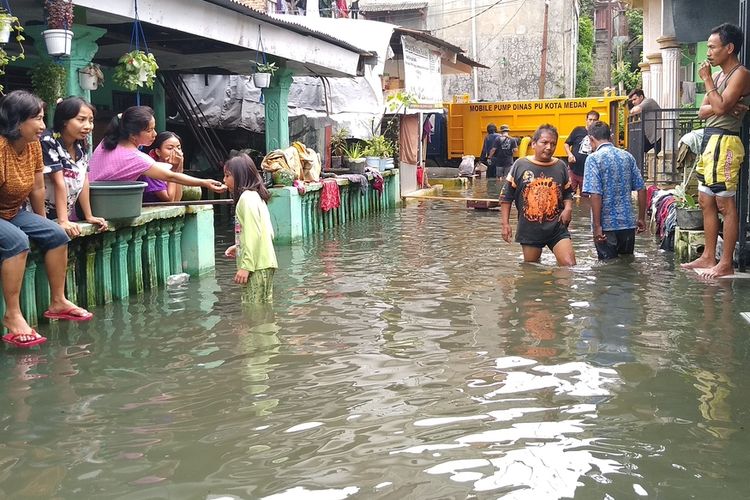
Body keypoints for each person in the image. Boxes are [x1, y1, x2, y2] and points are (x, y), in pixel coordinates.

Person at [0, 91, 94, 348]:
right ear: (17, 121)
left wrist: (42, 222)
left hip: (13, 211)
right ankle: (13, 314)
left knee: (55, 234)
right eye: (37, 119)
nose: (43, 126)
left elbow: (38, 188)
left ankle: (58, 301)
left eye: (43, 118)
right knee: (17, 242)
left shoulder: (33, 147)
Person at [681, 22, 750, 278]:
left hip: (726, 141)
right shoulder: (720, 76)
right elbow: (704, 111)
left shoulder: (740, 73)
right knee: (705, 199)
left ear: (729, 48)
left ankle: (726, 262)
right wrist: (721, 102)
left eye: (712, 47)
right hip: (710, 139)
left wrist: (710, 85)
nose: (708, 52)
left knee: (724, 203)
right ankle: (709, 256)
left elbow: (719, 109)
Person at [89, 106, 226, 196]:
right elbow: (171, 177)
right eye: (149, 130)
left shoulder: (107, 141)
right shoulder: (136, 158)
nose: (154, 134)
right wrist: (204, 182)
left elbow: (121, 116)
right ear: (132, 135)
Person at [500, 124, 576, 266]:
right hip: (530, 229)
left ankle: (561, 290)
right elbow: (506, 197)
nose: (549, 147)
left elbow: (568, 192)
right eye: (544, 142)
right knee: (531, 269)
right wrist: (505, 224)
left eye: (553, 144)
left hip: (557, 227)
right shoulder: (520, 165)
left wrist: (568, 208)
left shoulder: (560, 166)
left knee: (569, 266)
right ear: (534, 144)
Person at [41, 96, 107, 237]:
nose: (88, 126)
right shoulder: (48, 141)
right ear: (64, 120)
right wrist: (63, 220)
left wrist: (89, 215)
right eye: (81, 119)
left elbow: (84, 180)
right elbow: (58, 182)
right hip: (41, 215)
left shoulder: (80, 145)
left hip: (63, 215)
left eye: (91, 120)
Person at [582, 121, 647, 260]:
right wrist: (641, 218)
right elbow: (641, 188)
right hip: (628, 224)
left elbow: (595, 194)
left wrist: (597, 226)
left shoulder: (593, 159)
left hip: (606, 226)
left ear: (591, 139)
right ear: (610, 137)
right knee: (626, 266)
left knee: (608, 269)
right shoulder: (627, 156)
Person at [223, 154, 278, 303]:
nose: (224, 180)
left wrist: (246, 267)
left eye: (227, 175)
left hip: (256, 267)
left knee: (253, 310)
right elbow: (268, 234)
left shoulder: (246, 199)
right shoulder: (256, 196)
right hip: (265, 264)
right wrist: (239, 245)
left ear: (239, 176)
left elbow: (254, 234)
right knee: (264, 307)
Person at [139, 131, 184, 202]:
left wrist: (179, 171)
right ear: (158, 152)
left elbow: (177, 200)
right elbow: (169, 200)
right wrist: (173, 170)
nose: (176, 152)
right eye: (170, 148)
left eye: (178, 148)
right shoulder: (151, 169)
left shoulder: (171, 169)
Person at [564, 110, 599, 196]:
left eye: (594, 120)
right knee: (569, 195)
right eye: (590, 119)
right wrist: (570, 154)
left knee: (586, 198)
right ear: (586, 120)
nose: (592, 122)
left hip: (588, 174)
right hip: (573, 170)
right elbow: (566, 144)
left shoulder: (598, 134)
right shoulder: (578, 130)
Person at [628, 89, 662, 155]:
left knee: (658, 156)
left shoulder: (648, 101)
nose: (633, 102)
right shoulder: (642, 104)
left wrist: (631, 111)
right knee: (637, 149)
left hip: (657, 135)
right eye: (632, 100)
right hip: (650, 136)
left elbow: (634, 111)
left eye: (635, 99)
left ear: (641, 97)